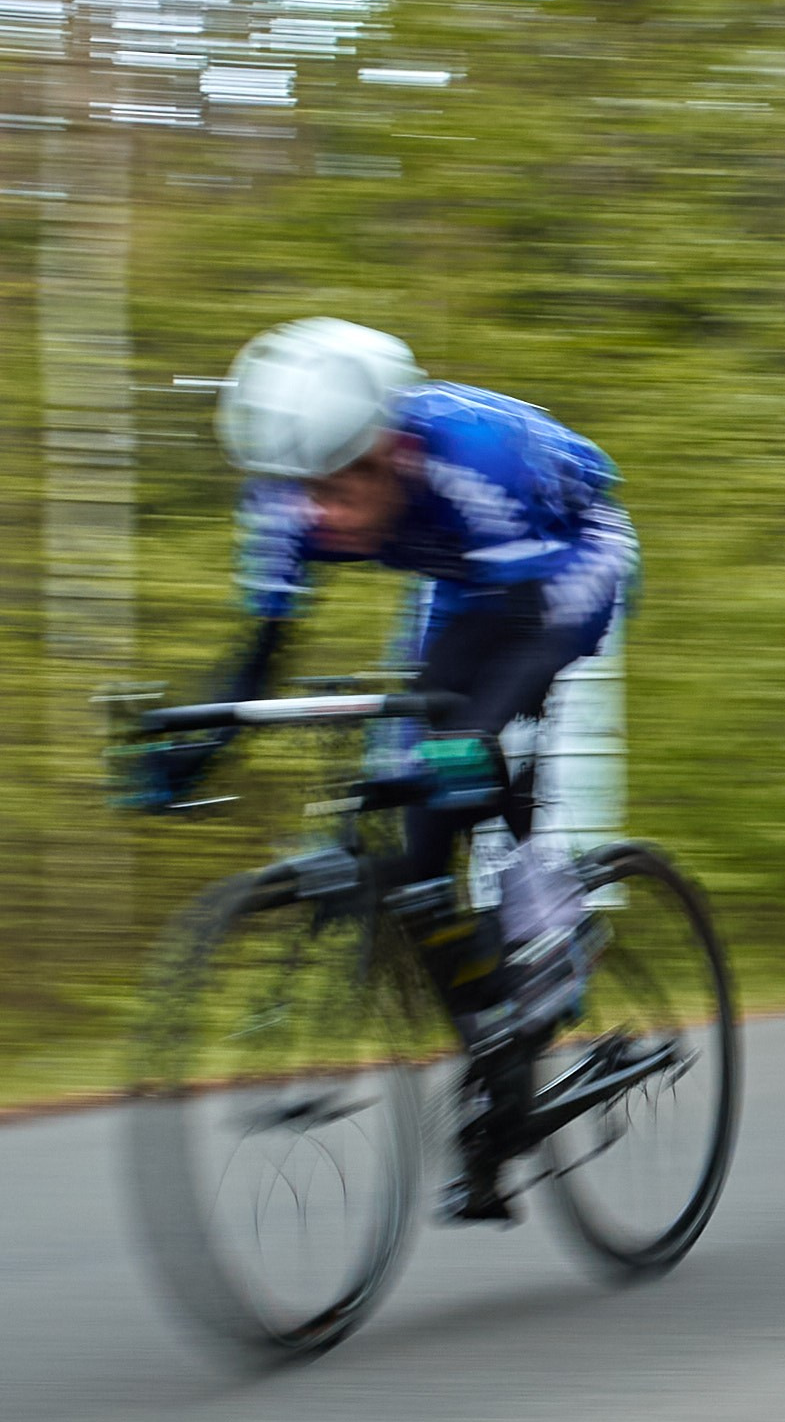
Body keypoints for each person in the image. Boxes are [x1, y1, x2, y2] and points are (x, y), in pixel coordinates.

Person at [133, 317, 637, 1219]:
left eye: (341, 484)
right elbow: (262, 650)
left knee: (477, 747)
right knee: (410, 854)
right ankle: (497, 1059)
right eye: (300, 491)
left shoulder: (474, 457)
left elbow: (537, 627)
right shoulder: (287, 502)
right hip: (462, 580)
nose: (317, 511)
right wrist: (190, 747)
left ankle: (552, 937)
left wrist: (477, 734)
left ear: (395, 451)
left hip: (568, 556)